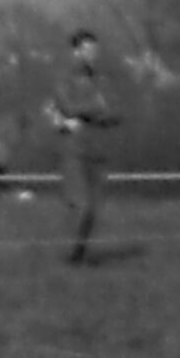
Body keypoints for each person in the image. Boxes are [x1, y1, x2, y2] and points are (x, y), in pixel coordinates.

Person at [45, 29, 120, 263]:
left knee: (94, 209)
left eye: (95, 49)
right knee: (82, 205)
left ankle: (76, 256)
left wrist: (92, 113)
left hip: (97, 148)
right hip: (74, 149)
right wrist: (96, 108)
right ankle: (67, 253)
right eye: (87, 49)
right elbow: (67, 105)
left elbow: (115, 111)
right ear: (75, 51)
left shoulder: (101, 79)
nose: (92, 54)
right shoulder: (64, 76)